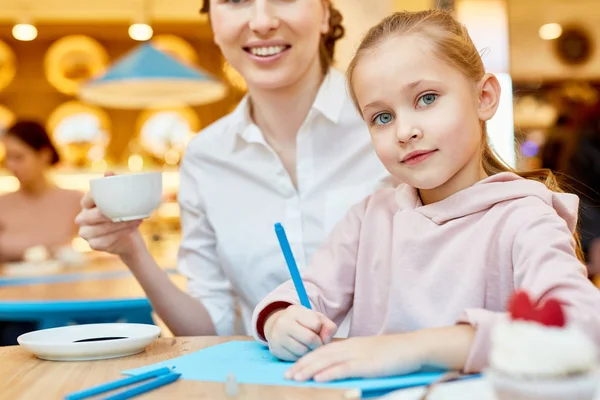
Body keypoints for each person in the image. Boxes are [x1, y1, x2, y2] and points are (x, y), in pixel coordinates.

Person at [252, 9, 600, 382]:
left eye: (426, 98)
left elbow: (580, 326)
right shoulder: (369, 217)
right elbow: (309, 291)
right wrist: (280, 319)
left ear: (484, 97)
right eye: (382, 118)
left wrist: (413, 348)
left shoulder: (525, 217)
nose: (404, 131)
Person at [76, 0, 390, 337]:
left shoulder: (394, 125)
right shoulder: (204, 157)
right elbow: (209, 330)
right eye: (236, 0)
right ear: (213, 23)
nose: (261, 22)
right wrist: (131, 249)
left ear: (325, 14)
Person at [0, 120, 82, 262]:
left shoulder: (75, 201)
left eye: (19, 157)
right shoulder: (2, 204)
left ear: (44, 156)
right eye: (8, 157)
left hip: (60, 282)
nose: (11, 165)